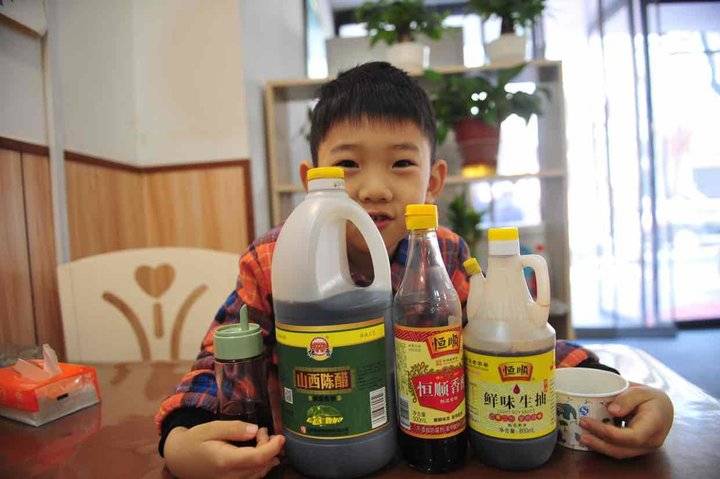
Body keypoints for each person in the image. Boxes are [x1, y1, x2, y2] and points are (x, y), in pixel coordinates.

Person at [155, 62, 673, 478]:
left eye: (402, 163)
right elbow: (218, 360)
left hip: (426, 453)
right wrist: (181, 438)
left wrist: (609, 389)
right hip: (307, 452)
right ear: (311, 180)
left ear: (432, 183)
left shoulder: (444, 257)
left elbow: (509, 340)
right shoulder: (271, 260)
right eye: (348, 165)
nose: (375, 188)